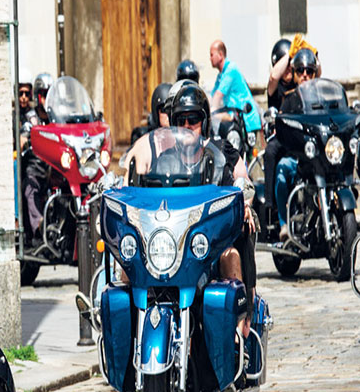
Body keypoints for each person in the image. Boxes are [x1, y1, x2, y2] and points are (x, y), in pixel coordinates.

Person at [126, 81, 257, 335]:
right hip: (172, 246)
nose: (187, 126)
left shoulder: (219, 152)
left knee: (232, 256)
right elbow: (145, 198)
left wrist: (246, 203)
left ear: (204, 121)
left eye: (193, 119)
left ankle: (239, 334)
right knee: (128, 269)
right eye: (181, 120)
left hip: (210, 244)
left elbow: (243, 181)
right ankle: (131, 340)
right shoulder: (162, 162)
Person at [270, 47, 319, 241]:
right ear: (295, 73)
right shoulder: (290, 99)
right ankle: (283, 224)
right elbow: (281, 126)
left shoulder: (321, 98)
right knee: (282, 171)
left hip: (319, 156)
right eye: (300, 71)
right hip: (297, 157)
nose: (305, 75)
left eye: (309, 71)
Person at [22, 72, 53, 244]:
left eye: (50, 93)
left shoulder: (57, 117)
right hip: (36, 167)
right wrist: (24, 140)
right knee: (30, 187)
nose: (47, 98)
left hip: (55, 167)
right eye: (44, 94)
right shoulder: (31, 119)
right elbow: (22, 138)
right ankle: (39, 226)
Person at [209, 40, 261, 137]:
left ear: (220, 55)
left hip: (246, 120)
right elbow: (212, 97)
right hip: (235, 119)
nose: (210, 58)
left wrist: (210, 111)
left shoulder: (231, 70)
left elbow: (218, 96)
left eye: (212, 55)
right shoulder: (221, 75)